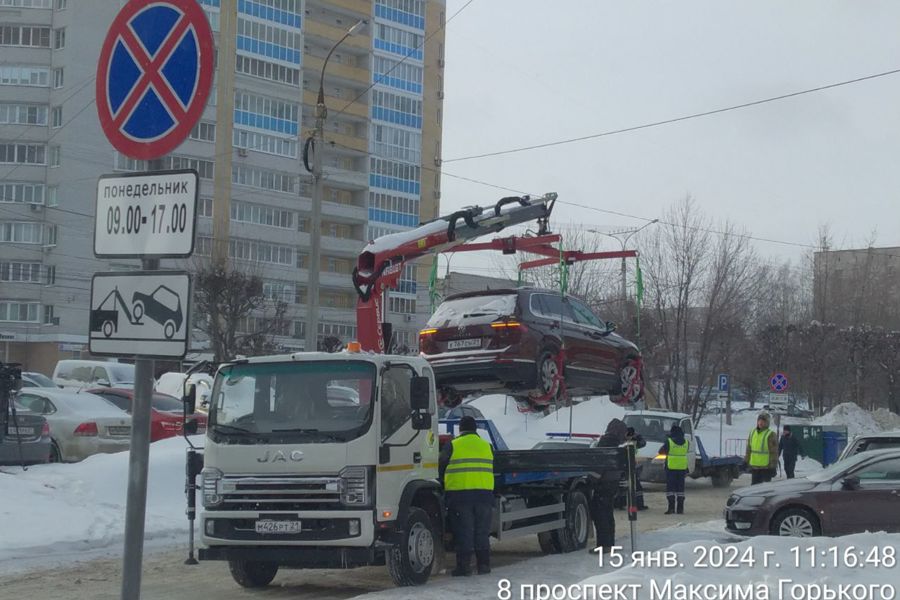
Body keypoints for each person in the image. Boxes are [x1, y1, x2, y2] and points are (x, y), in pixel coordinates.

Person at [439, 415, 494, 576]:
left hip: (460, 496)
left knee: (464, 532)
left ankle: (464, 567)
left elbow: (441, 467)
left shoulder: (453, 445)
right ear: (475, 429)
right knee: (482, 532)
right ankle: (484, 566)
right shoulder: (487, 446)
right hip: (484, 495)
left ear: (460, 429)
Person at [589, 418, 627, 552]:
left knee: (600, 515)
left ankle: (603, 545)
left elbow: (598, 466)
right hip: (612, 484)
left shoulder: (604, 444)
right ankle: (609, 543)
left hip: (602, 484)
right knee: (608, 514)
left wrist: (591, 480)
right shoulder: (617, 446)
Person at [658, 424, 689, 514]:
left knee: (670, 489)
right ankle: (680, 509)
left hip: (671, 468)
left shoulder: (669, 441)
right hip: (682, 468)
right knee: (680, 489)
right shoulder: (686, 442)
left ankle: (671, 508)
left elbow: (661, 451)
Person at [616, 427, 649, 510]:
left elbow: (643, 443)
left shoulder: (633, 441)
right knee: (625, 486)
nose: (629, 437)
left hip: (629, 466)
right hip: (625, 466)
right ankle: (621, 503)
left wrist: (637, 437)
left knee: (632, 486)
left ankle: (624, 504)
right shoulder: (622, 441)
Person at [745, 411, 778, 484]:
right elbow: (748, 449)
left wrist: (773, 466)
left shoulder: (770, 434)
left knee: (764, 490)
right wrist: (746, 461)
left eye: (763, 421)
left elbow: (774, 452)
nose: (760, 422)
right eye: (759, 420)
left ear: (767, 423)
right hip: (755, 467)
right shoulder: (752, 432)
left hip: (766, 467)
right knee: (754, 488)